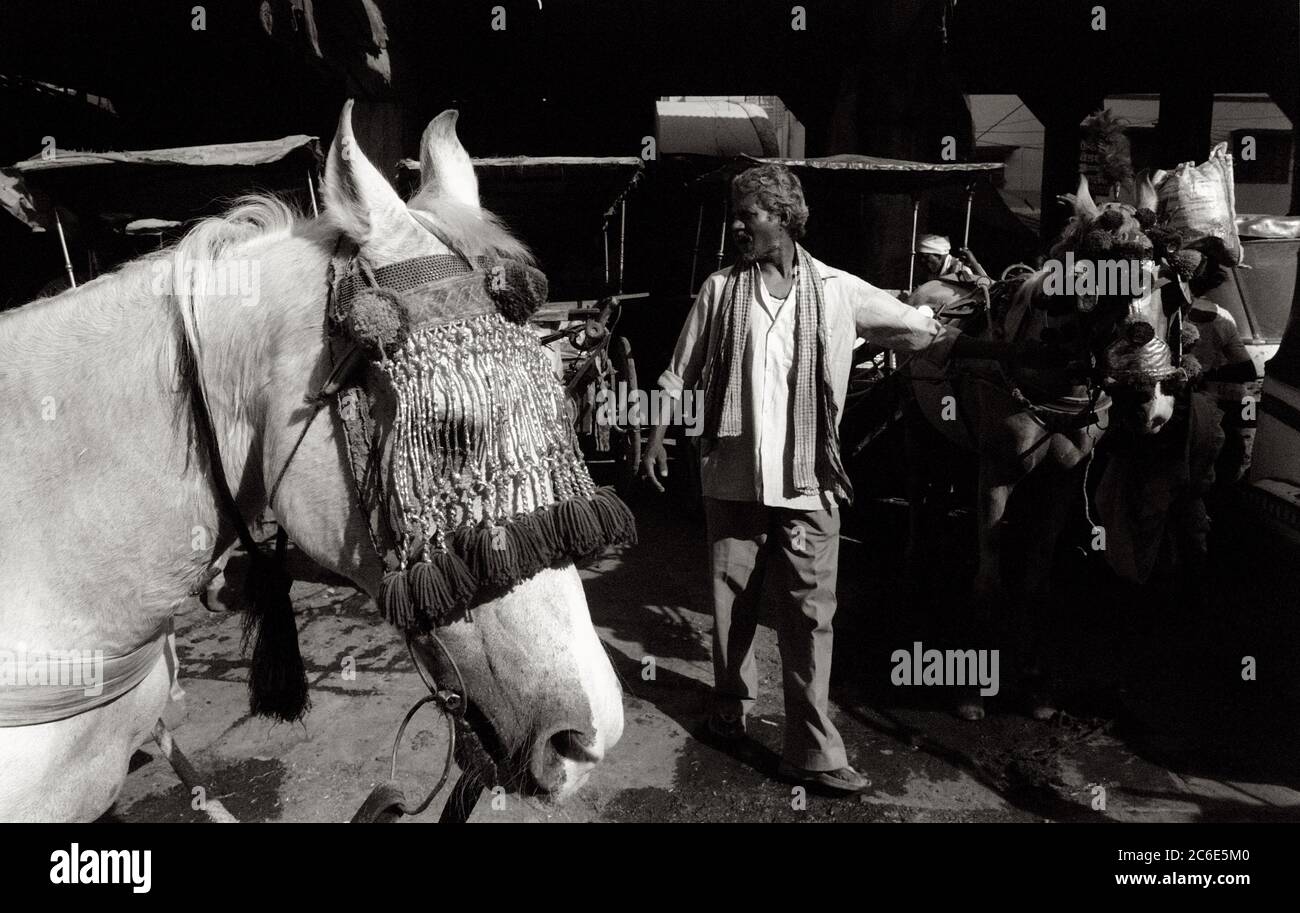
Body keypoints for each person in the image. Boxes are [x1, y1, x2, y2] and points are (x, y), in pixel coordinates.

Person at [639, 163, 1015, 794]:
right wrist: (655, 436)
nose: (737, 226)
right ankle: (731, 703)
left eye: (748, 215)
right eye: (735, 215)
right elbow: (682, 367)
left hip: (811, 481)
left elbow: (919, 327)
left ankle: (811, 750)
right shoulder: (719, 289)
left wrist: (967, 312)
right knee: (732, 600)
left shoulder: (841, 290)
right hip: (732, 473)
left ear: (784, 219)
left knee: (810, 615)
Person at [916, 233, 990, 286]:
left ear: (939, 256)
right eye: (920, 257)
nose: (922, 261)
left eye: (926, 257)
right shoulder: (932, 272)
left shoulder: (960, 270)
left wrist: (974, 264)